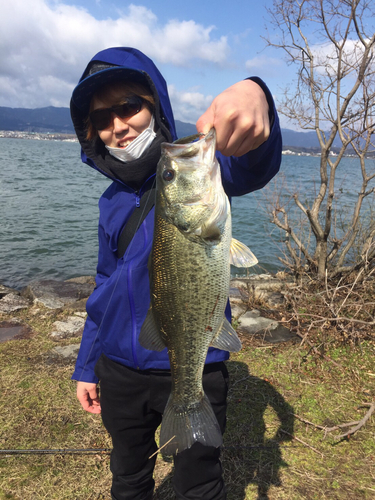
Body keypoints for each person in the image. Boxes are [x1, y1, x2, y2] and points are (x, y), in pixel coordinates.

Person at [70, 46, 282, 500]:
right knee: (128, 474)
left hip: (197, 365)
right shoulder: (110, 203)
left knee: (200, 481)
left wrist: (255, 93)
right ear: (91, 133)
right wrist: (88, 365)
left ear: (156, 106)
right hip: (120, 371)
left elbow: (255, 162)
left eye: (129, 106)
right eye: (102, 118)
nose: (118, 125)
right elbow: (104, 285)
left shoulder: (203, 171)